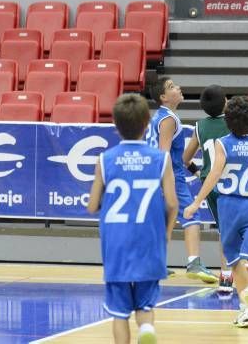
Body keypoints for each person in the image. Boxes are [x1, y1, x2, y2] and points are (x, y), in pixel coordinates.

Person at [88, 94, 178, 344]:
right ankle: (146, 327)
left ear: (116, 126)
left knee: (119, 313)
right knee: (145, 305)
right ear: (147, 124)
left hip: (116, 243)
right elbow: (172, 203)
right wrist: (168, 232)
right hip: (149, 239)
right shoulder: (162, 159)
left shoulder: (105, 160)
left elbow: (92, 205)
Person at [184, 96, 248, 328]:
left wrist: (196, 202)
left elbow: (213, 175)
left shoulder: (223, 144)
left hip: (228, 208)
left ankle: (246, 308)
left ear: (228, 121)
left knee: (235, 260)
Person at [147, 77, 217, 284]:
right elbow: (164, 154)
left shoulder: (157, 117)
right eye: (171, 87)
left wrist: (193, 170)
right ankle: (194, 263)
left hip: (155, 174)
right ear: (163, 97)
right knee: (192, 216)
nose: (178, 88)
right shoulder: (169, 119)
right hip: (169, 175)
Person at [181, 84, 233, 295]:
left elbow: (185, 159)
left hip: (209, 184)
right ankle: (237, 276)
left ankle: (226, 279)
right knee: (237, 231)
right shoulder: (233, 122)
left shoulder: (199, 126)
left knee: (223, 231)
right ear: (226, 102)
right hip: (231, 181)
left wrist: (197, 172)